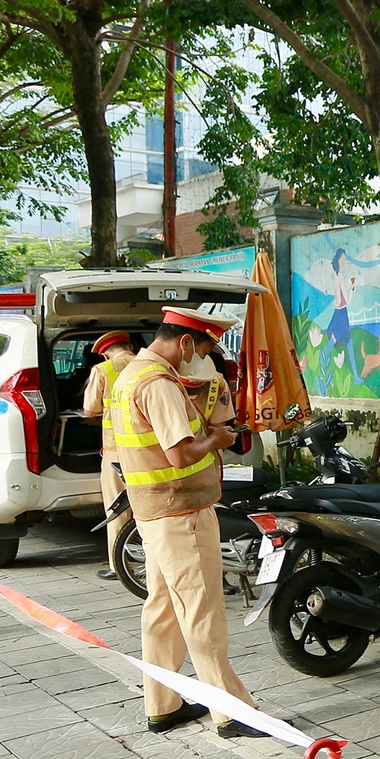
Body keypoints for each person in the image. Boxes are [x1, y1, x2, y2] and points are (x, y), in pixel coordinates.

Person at [107, 308, 261, 736]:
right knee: (202, 612)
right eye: (206, 348)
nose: (204, 359)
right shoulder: (159, 384)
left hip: (153, 511)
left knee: (163, 609)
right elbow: (180, 453)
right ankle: (232, 713)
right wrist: (218, 439)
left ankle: (163, 704)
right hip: (182, 512)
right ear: (187, 342)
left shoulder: (129, 376)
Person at [81, 331, 138, 580]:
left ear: (104, 352)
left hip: (116, 450)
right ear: (130, 346)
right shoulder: (149, 364)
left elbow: (90, 409)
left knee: (117, 508)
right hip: (149, 450)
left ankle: (118, 565)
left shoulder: (103, 370)